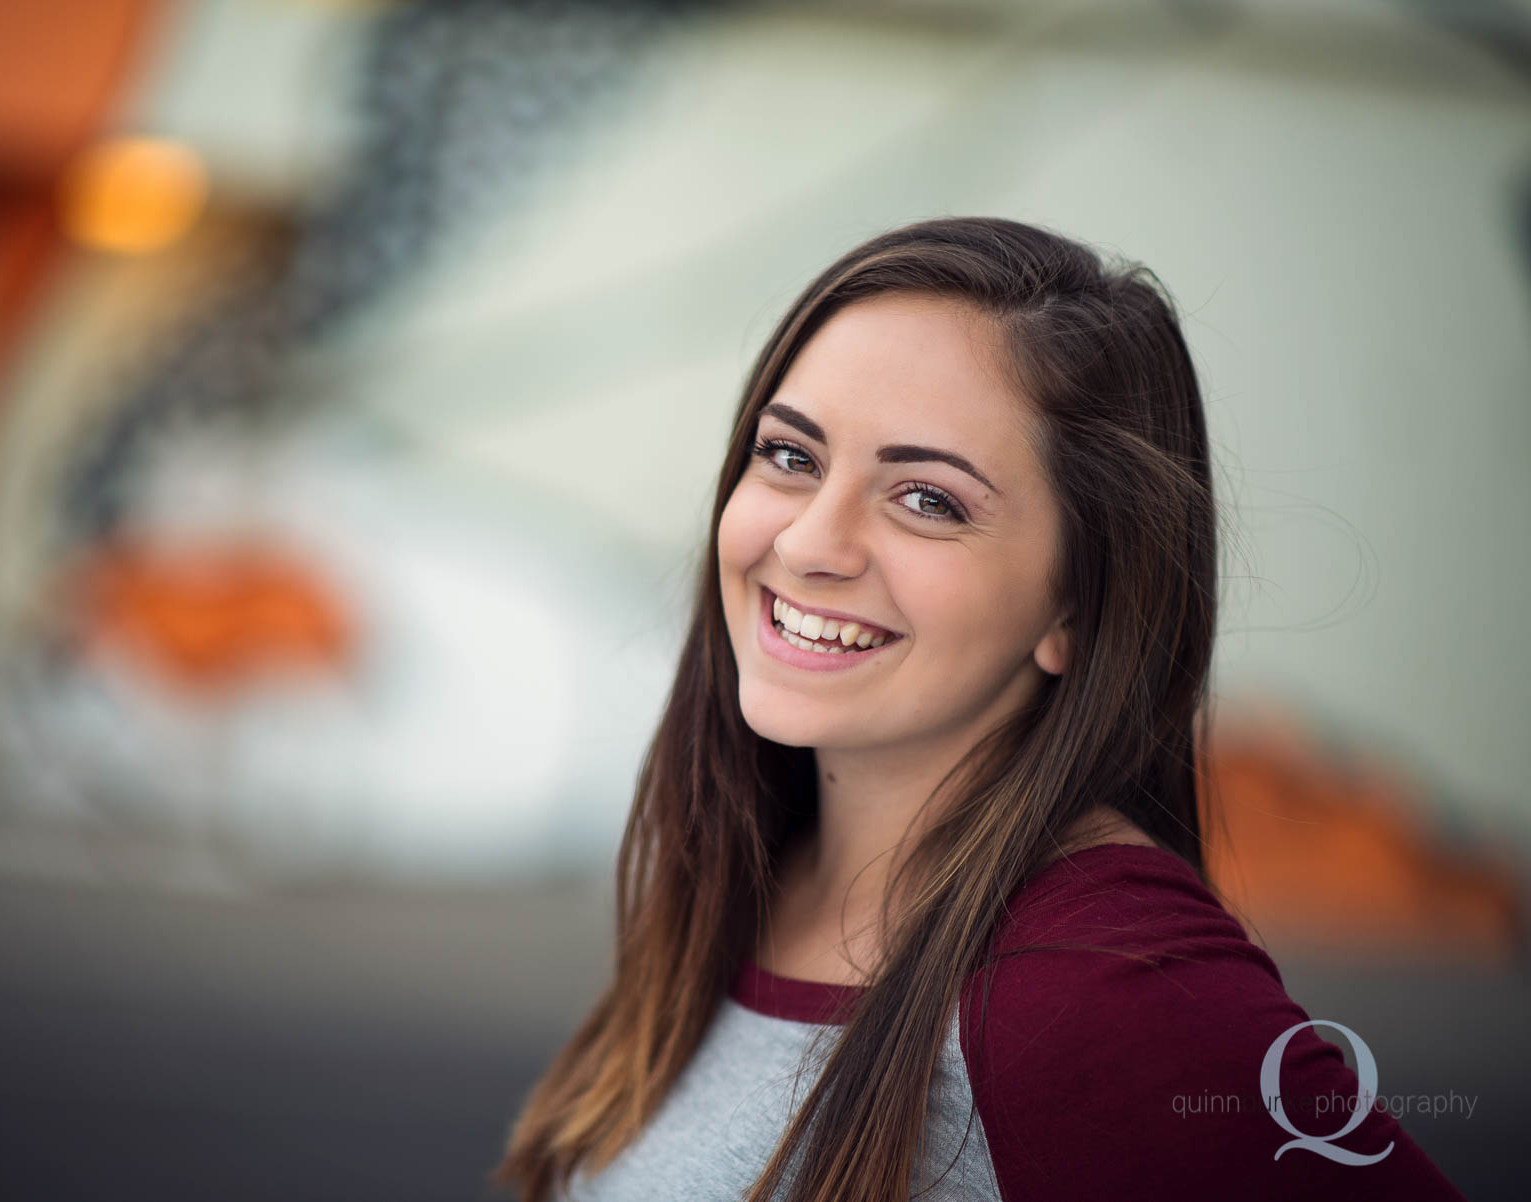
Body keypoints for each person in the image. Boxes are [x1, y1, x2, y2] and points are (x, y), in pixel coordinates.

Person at [488, 217, 1467, 1202]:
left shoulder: (1105, 980)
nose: (810, 543)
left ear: (1077, 607)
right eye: (790, 455)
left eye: (927, 499)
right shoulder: (750, 871)